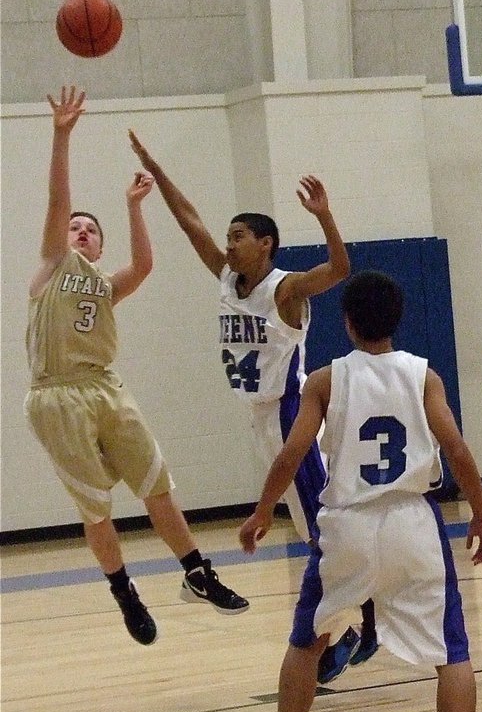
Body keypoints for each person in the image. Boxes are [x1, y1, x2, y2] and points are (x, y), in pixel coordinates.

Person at [128, 130, 378, 681]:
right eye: (229, 236)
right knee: (317, 530)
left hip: (293, 417)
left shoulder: (286, 289)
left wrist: (325, 216)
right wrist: (156, 167)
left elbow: (340, 270)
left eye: (238, 236)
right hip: (260, 419)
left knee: (323, 531)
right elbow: (188, 218)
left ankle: (358, 627)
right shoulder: (226, 277)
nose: (229, 242)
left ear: (265, 243)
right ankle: (359, 621)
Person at [24, 86, 249, 649]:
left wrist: (132, 207)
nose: (80, 231)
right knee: (97, 511)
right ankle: (124, 592)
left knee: (157, 485)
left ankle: (199, 574)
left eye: (90, 230)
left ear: (99, 247)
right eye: (75, 227)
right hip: (57, 396)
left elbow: (145, 265)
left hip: (105, 387)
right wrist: (61, 135)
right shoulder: (54, 267)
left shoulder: (102, 284)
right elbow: (58, 202)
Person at [240, 270, 482, 712]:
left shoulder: (324, 380)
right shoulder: (424, 377)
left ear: (347, 321)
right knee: (451, 652)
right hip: (412, 522)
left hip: (347, 524)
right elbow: (456, 449)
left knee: (307, 643)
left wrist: (263, 511)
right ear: (396, 319)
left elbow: (292, 454)